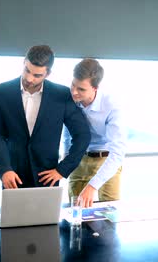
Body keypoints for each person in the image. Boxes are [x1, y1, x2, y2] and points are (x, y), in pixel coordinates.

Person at [0, 45, 90, 189]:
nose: (30, 78)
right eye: (27, 71)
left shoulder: (62, 95)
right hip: (13, 176)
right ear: (24, 62)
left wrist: (62, 170)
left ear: (47, 73)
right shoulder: (3, 91)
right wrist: (5, 169)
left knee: (48, 213)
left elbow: (83, 135)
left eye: (37, 75)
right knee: (13, 212)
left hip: (47, 177)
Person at [64, 58, 126, 207]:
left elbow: (117, 152)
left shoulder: (112, 105)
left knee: (109, 213)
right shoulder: (69, 100)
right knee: (76, 212)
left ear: (95, 88)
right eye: (73, 85)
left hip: (106, 160)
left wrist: (92, 186)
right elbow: (67, 135)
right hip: (79, 159)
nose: (74, 92)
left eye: (81, 89)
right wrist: (68, 160)